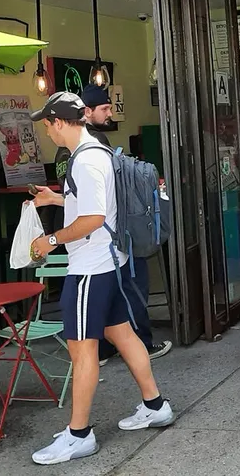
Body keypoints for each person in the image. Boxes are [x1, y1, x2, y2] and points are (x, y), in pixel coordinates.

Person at [28, 92, 174, 465]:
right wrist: (57, 199)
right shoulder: (97, 152)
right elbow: (97, 205)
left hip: (90, 268)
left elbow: (93, 218)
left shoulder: (85, 161)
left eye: (47, 124)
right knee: (123, 334)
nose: (48, 132)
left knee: (81, 349)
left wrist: (51, 240)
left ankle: (79, 435)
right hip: (110, 262)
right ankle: (155, 405)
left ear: (59, 122)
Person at [76, 85, 171, 366]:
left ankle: (104, 349)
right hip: (111, 230)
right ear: (86, 111)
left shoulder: (69, 148)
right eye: (104, 109)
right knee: (132, 287)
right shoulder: (94, 143)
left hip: (89, 237)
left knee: (109, 293)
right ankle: (142, 343)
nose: (109, 112)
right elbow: (110, 190)